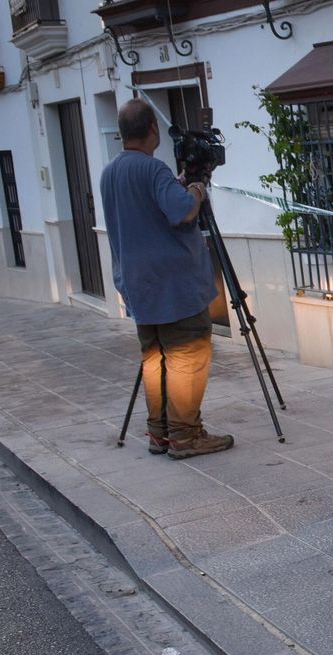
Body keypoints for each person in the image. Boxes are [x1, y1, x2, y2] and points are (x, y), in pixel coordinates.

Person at [100, 98, 234, 459]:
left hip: (137, 284)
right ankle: (186, 436)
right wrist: (196, 188)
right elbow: (182, 212)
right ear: (153, 130)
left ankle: (159, 433)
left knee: (154, 358)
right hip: (173, 286)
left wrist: (178, 186)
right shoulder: (152, 168)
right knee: (187, 355)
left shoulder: (110, 172)